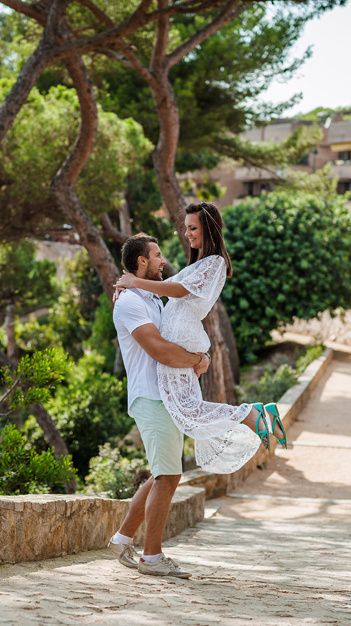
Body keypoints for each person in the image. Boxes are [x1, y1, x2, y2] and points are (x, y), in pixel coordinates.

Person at [113, 202, 286, 476]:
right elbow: (166, 291)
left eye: (192, 228)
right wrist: (127, 289)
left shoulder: (215, 262)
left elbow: (178, 290)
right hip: (181, 339)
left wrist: (134, 283)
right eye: (186, 228)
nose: (187, 234)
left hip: (181, 339)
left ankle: (249, 414)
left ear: (208, 229)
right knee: (189, 412)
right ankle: (250, 413)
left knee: (189, 413)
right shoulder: (202, 263)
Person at [106, 233, 209, 579]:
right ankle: (151, 558)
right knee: (169, 475)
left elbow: (173, 342)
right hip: (150, 397)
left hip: (162, 397)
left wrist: (199, 358)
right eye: (157, 255)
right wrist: (194, 359)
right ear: (141, 262)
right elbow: (159, 349)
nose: (163, 261)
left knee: (161, 473)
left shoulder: (151, 298)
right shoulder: (130, 302)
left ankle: (121, 540)